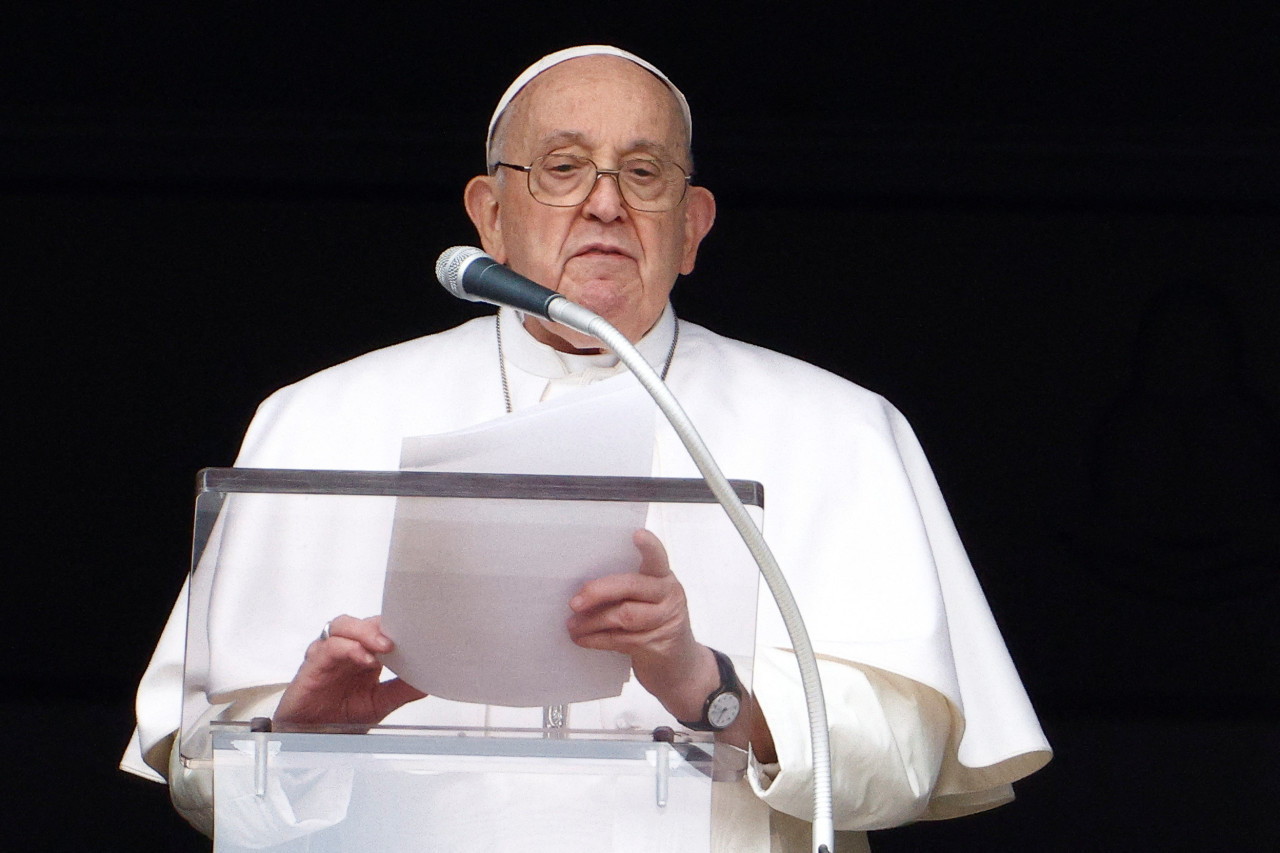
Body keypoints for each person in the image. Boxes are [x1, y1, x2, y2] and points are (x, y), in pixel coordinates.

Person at [122, 45, 1051, 852]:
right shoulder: (321, 418)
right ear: (489, 212)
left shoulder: (840, 428)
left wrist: (706, 684)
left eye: (644, 174)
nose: (604, 203)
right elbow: (205, 774)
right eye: (562, 168)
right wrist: (299, 734)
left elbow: (904, 763)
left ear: (692, 227)